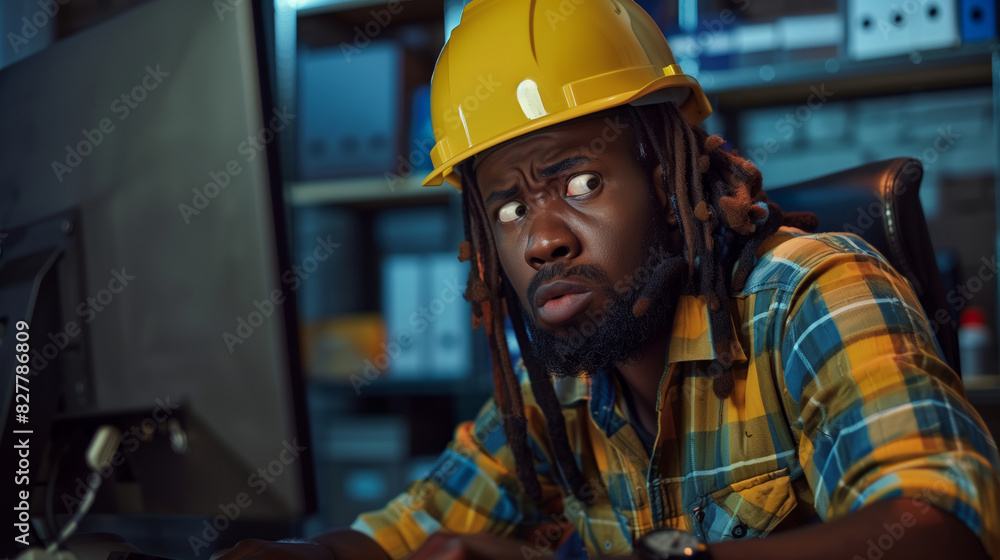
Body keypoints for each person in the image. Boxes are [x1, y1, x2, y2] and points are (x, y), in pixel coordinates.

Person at [213, 0, 1000, 558]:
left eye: (581, 184)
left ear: (666, 181)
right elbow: (412, 527)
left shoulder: (811, 294)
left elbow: (940, 526)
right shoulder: (560, 385)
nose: (543, 240)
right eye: (512, 208)